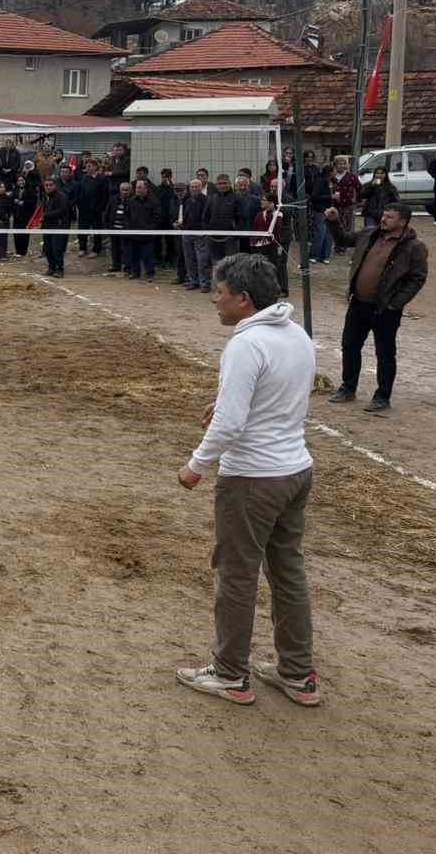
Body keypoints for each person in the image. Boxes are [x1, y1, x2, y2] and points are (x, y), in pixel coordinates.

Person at [175, 254, 320, 708]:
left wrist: (196, 464)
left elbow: (233, 425)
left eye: (220, 293)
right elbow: (277, 395)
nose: (214, 300)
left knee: (237, 576)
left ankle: (229, 673)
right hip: (295, 469)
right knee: (288, 571)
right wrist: (222, 402)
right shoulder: (296, 334)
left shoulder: (245, 344)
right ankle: (298, 673)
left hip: (253, 479)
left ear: (243, 299)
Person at [324, 202, 429, 413]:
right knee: (350, 346)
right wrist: (334, 221)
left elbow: (417, 279)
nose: (383, 219)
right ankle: (348, 388)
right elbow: (344, 239)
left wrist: (395, 303)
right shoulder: (370, 234)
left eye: (389, 217)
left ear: (402, 221)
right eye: (383, 215)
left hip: (385, 309)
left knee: (385, 353)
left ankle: (382, 396)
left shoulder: (413, 247)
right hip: (358, 303)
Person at [250, 194, 289, 298]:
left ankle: (281, 289)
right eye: (262, 200)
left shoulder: (278, 214)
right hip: (259, 245)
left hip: (274, 245)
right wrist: (254, 241)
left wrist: (272, 213)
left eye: (264, 200)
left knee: (277, 267)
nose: (262, 202)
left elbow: (277, 229)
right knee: (260, 268)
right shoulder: (259, 214)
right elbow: (255, 228)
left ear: (271, 203)